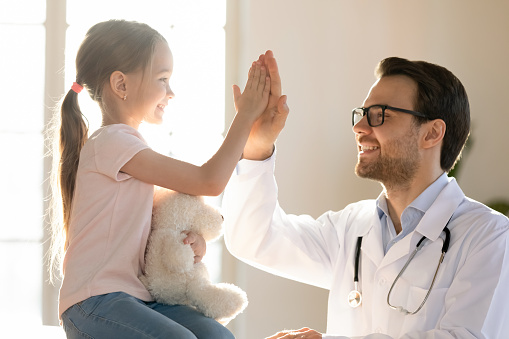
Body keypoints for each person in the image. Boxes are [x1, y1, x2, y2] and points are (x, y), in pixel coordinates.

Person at [223, 52, 509, 338]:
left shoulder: (488, 235)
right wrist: (258, 146)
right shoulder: (351, 227)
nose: (359, 128)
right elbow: (255, 238)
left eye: (379, 115)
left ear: (432, 133)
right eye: (362, 114)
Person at [48, 19, 271, 338]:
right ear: (121, 85)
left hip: (135, 296)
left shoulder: (129, 147)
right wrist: (246, 116)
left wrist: (189, 242)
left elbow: (153, 226)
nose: (171, 92)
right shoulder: (113, 142)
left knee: (218, 335)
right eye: (163, 79)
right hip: (94, 302)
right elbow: (208, 180)